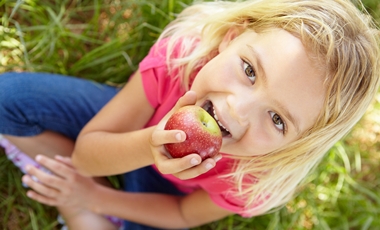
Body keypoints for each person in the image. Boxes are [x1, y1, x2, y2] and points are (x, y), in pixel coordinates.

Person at [0, 0, 379, 229]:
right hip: (133, 128)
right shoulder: (181, 60)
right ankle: (78, 207)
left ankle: (81, 209)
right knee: (7, 97)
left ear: (296, 146)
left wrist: (94, 198)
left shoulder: (256, 178)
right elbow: (86, 156)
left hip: (165, 195)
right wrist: (149, 145)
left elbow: (181, 213)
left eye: (278, 120)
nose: (237, 109)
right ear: (232, 38)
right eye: (249, 70)